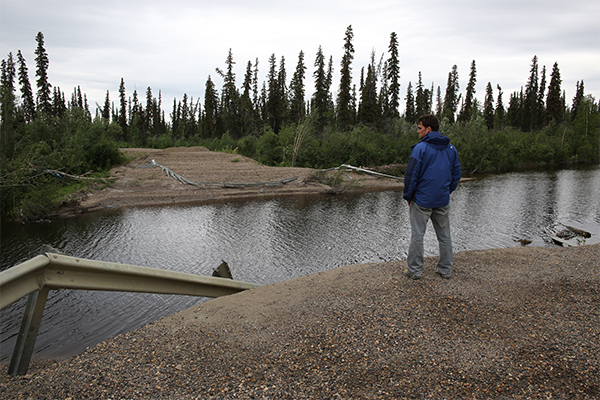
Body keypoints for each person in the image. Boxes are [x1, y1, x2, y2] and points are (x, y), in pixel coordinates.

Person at [403, 114, 461, 280]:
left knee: (417, 235)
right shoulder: (451, 149)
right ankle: (445, 270)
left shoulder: (420, 148)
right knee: (444, 236)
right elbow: (456, 175)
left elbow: (411, 175)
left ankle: (414, 271)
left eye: (420, 128)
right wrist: (446, 190)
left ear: (428, 129)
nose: (418, 131)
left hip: (422, 201)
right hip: (441, 199)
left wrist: (408, 196)